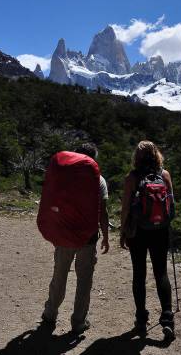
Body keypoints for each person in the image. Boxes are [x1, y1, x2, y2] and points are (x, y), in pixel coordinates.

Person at [41, 143, 110, 334]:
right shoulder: (99, 180)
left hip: (63, 234)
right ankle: (78, 322)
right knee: (84, 280)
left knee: (59, 274)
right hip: (87, 238)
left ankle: (50, 314)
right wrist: (105, 236)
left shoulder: (64, 176)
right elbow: (102, 212)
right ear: (93, 159)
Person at [120, 140, 175, 340]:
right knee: (161, 273)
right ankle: (167, 319)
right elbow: (171, 205)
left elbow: (125, 208)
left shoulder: (132, 178)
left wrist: (123, 232)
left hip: (138, 231)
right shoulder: (165, 175)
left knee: (139, 274)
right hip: (161, 230)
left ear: (137, 157)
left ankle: (141, 320)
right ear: (156, 155)